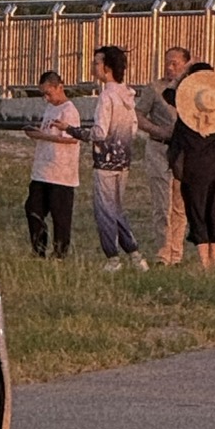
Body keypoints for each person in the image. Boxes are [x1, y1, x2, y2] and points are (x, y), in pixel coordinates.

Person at [90, 44, 147, 273]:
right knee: (117, 208)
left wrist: (74, 131)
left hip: (105, 160)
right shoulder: (127, 95)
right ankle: (135, 254)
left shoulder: (107, 96)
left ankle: (113, 258)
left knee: (104, 210)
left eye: (97, 63)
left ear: (107, 67)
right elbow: (132, 129)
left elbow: (99, 132)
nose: (94, 67)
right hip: (123, 160)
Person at [136, 45, 189, 265]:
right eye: (167, 62)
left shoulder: (192, 89)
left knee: (180, 203)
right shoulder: (155, 88)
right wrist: (157, 130)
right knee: (162, 201)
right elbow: (138, 115)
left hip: (184, 151)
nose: (170, 67)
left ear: (185, 65)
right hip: (160, 147)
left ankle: (176, 253)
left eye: (175, 63)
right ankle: (162, 251)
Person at [24, 69, 81, 259]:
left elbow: (72, 139)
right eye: (44, 94)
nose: (46, 98)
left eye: (49, 93)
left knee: (60, 217)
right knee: (33, 209)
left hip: (61, 173)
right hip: (42, 170)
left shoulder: (69, 111)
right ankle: (38, 248)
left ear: (60, 87)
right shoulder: (50, 108)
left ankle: (60, 254)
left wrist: (43, 136)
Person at [171, 65, 215, 272]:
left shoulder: (185, 121)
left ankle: (204, 262)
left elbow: (168, 95)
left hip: (193, 172)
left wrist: (182, 77)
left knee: (197, 213)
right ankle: (214, 260)